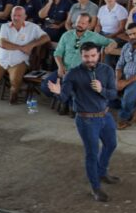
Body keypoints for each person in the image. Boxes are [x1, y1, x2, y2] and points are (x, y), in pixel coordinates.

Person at [47, 43, 120, 202]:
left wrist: (101, 90)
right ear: (81, 56)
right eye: (86, 56)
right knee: (92, 153)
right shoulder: (72, 74)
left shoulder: (106, 70)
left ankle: (101, 172)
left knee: (111, 144)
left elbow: (113, 95)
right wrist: (58, 93)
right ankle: (95, 187)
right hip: (86, 119)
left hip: (105, 116)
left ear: (98, 55)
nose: (90, 59)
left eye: (93, 56)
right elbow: (64, 97)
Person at [0, 6, 50, 104]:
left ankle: (14, 92)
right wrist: (23, 48)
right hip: (2, 60)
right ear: (11, 16)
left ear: (25, 16)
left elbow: (46, 38)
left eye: (19, 15)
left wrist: (31, 45)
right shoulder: (5, 26)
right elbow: (3, 44)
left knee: (15, 80)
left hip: (19, 61)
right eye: (14, 15)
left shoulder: (33, 27)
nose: (16, 18)